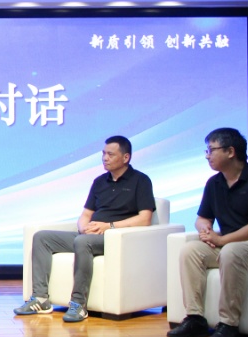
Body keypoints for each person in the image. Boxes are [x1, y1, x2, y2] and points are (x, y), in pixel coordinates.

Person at [168, 128, 248, 337]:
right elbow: (202, 218)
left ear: (230, 151)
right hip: (233, 246)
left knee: (232, 251)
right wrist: (205, 229)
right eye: (207, 151)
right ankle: (195, 318)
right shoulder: (214, 183)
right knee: (190, 250)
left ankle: (229, 323)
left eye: (211, 150)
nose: (207, 156)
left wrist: (222, 240)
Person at [14, 135, 155, 322]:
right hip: (89, 236)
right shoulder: (99, 182)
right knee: (42, 237)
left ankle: (78, 304)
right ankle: (40, 299)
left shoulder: (140, 181)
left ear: (126, 157)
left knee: (83, 242)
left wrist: (109, 226)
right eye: (103, 154)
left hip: (116, 237)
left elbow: (145, 218)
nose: (105, 158)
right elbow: (86, 214)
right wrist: (83, 227)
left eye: (110, 154)